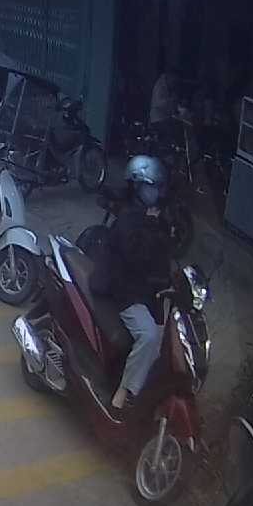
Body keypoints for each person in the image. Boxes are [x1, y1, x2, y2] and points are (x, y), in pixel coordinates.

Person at [90, 155, 173, 418]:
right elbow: (137, 257)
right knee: (148, 336)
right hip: (124, 290)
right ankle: (122, 395)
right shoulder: (128, 218)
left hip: (144, 290)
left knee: (162, 337)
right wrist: (153, 228)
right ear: (138, 186)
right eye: (152, 186)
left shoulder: (152, 216)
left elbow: (163, 254)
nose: (156, 192)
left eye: (158, 187)